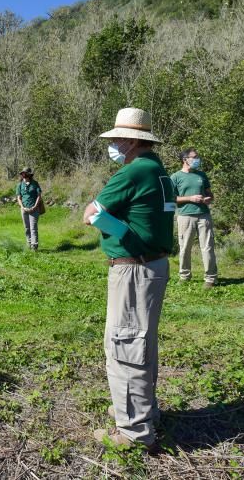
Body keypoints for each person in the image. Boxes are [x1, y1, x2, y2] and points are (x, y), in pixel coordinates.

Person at [83, 108, 175, 449]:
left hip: (134, 269)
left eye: (118, 139)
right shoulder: (158, 169)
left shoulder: (133, 172)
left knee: (125, 343)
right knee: (141, 341)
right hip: (152, 265)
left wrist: (110, 224)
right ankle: (139, 409)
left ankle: (134, 431)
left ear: (134, 140)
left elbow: (90, 213)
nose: (113, 145)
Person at [170, 148, 217, 288]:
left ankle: (211, 278)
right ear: (185, 159)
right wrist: (190, 198)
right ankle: (184, 276)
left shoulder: (201, 175)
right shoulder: (175, 177)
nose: (197, 159)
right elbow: (171, 198)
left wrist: (208, 199)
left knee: (208, 247)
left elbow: (210, 194)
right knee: (184, 247)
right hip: (185, 215)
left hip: (204, 215)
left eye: (197, 157)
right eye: (194, 157)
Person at [16, 167, 43, 250]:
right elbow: (19, 197)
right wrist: (22, 207)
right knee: (27, 228)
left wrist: (35, 206)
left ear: (29, 174)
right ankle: (29, 243)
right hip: (24, 209)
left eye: (24, 173)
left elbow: (39, 196)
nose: (23, 174)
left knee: (33, 227)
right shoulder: (20, 185)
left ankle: (34, 245)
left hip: (34, 209)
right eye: (22, 173)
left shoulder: (35, 183)